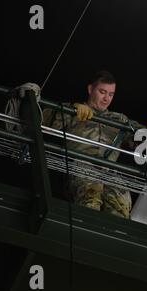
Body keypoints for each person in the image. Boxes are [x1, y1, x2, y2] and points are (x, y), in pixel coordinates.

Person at [42, 70, 132, 219]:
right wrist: (72, 109)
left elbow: (142, 137)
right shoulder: (76, 111)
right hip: (81, 166)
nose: (106, 99)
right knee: (91, 196)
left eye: (111, 94)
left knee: (121, 206)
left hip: (110, 171)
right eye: (102, 92)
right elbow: (45, 118)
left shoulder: (119, 119)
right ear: (90, 89)